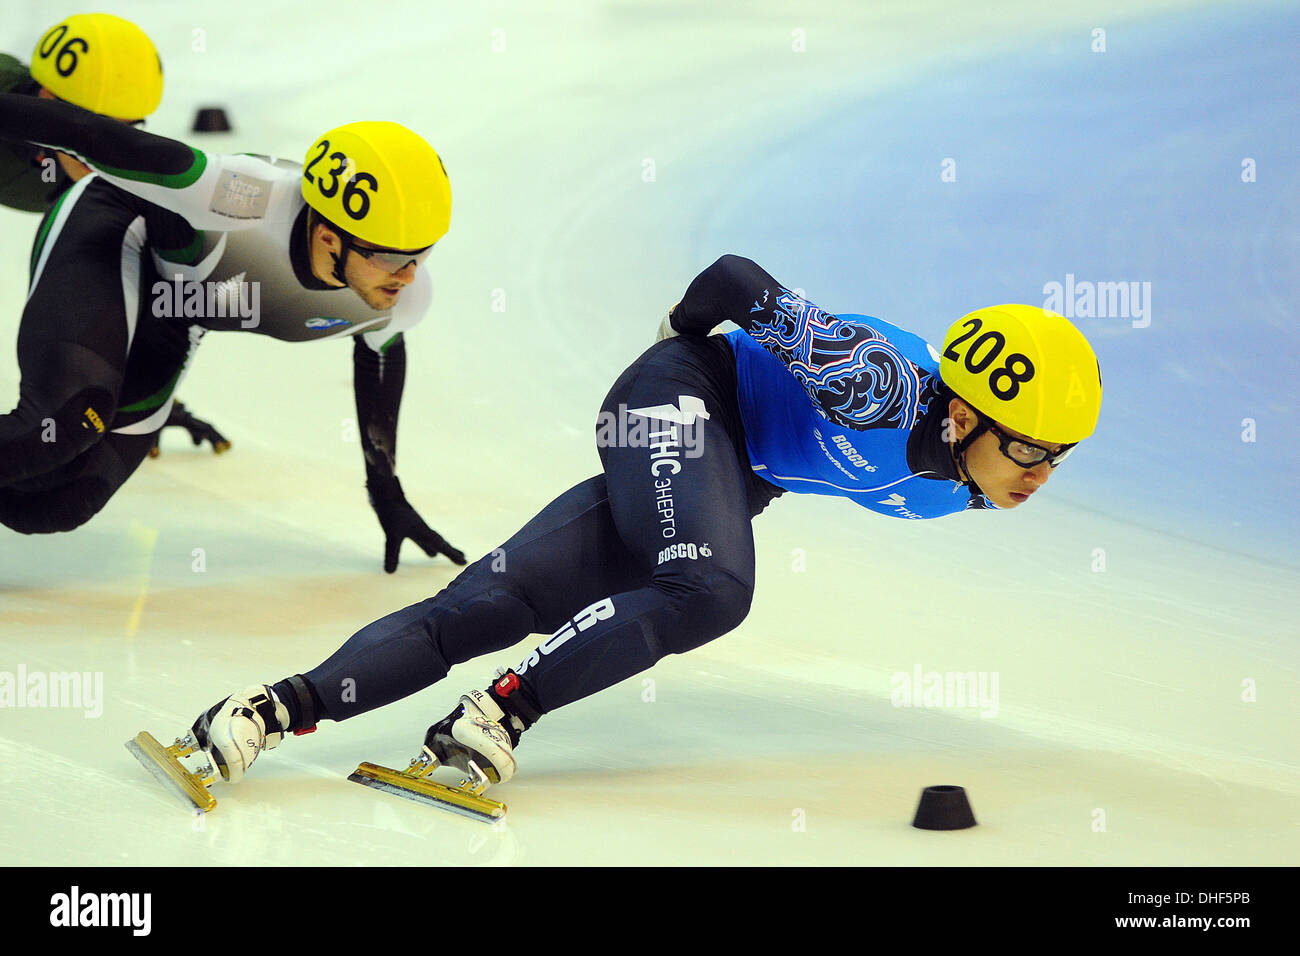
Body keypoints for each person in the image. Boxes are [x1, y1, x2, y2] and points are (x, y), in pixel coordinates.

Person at [178, 254, 1102, 798]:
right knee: (711, 588)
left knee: (491, 604)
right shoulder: (876, 381)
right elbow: (736, 277)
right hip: (682, 395)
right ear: (966, 416)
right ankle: (499, 711)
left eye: (1060, 457)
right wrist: (672, 336)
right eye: (1031, 452)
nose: (1041, 477)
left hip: (726, 469)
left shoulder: (972, 483)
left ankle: (260, 709)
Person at [0, 82, 465, 570]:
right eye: (393, 258)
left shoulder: (402, 298)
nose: (410, 275)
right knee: (67, 423)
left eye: (423, 254)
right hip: (114, 225)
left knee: (58, 504)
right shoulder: (241, 196)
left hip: (178, 311)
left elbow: (380, 355)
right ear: (330, 238)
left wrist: (386, 492)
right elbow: (86, 133)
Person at [0, 13, 229, 493]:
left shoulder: (97, 172)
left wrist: (142, 390)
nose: (102, 148)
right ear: (44, 100)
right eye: (89, 127)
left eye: (122, 130)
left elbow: (138, 279)